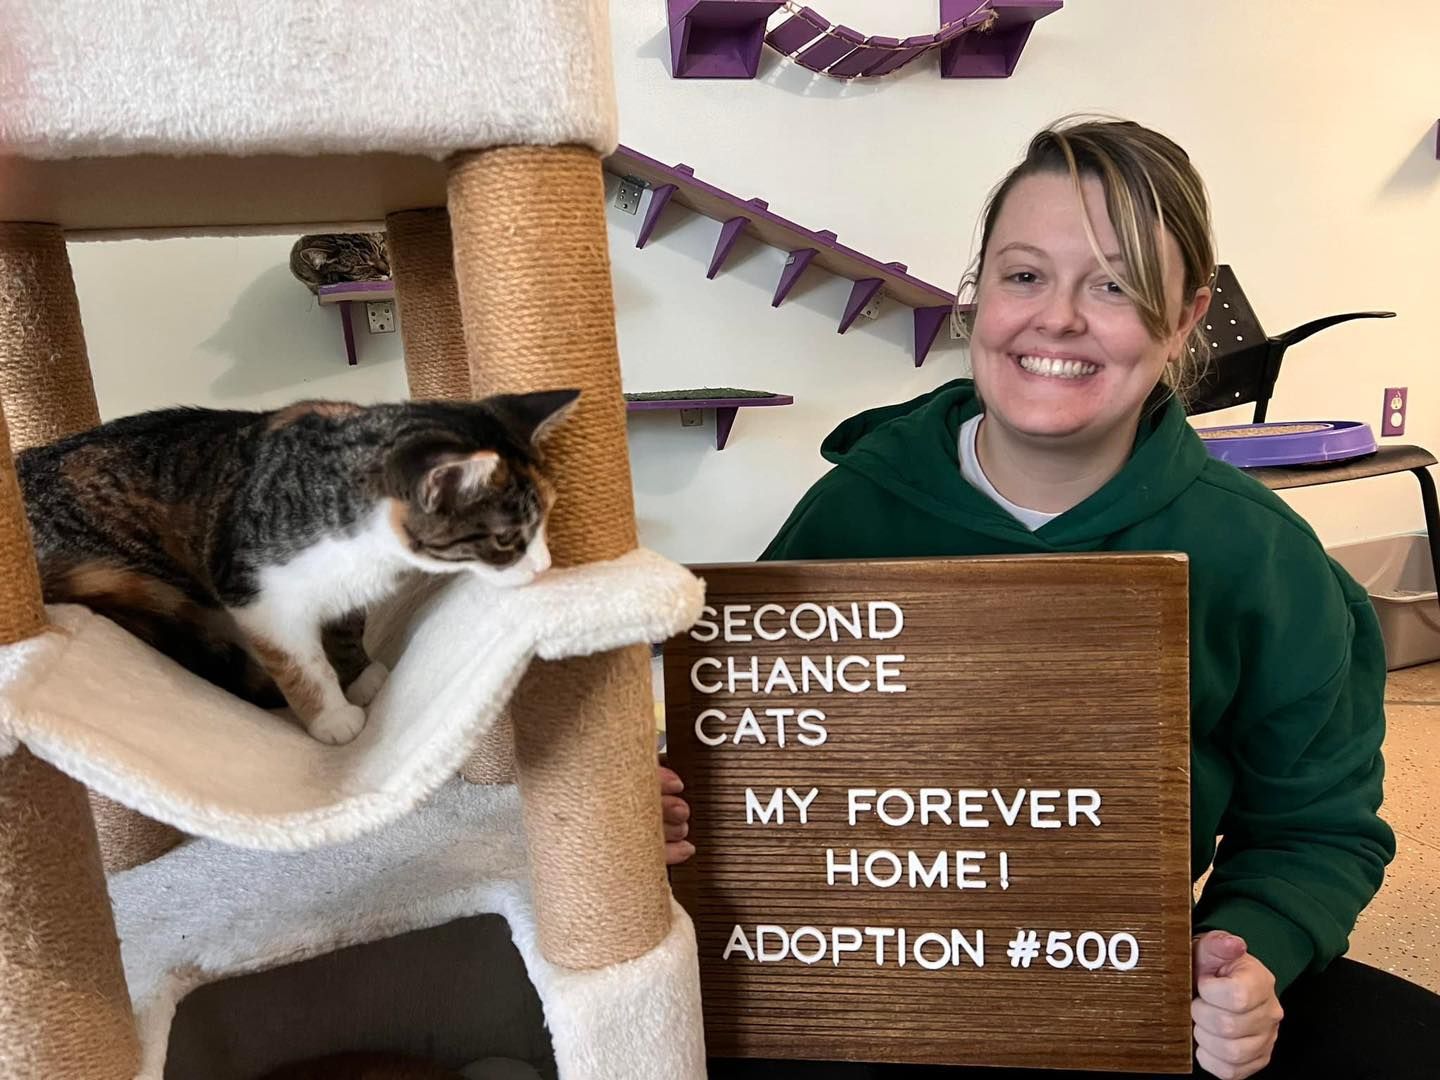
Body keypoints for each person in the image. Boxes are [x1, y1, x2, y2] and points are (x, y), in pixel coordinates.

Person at [658, 117, 1440, 1079]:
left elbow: (1317, 827)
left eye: (1115, 285)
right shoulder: (852, 510)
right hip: (866, 977)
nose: (1059, 318)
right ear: (977, 293)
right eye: (1024, 275)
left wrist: (1250, 953)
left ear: (1186, 319)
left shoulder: (1262, 557)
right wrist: (661, 806)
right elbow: (748, 759)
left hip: (1105, 974)